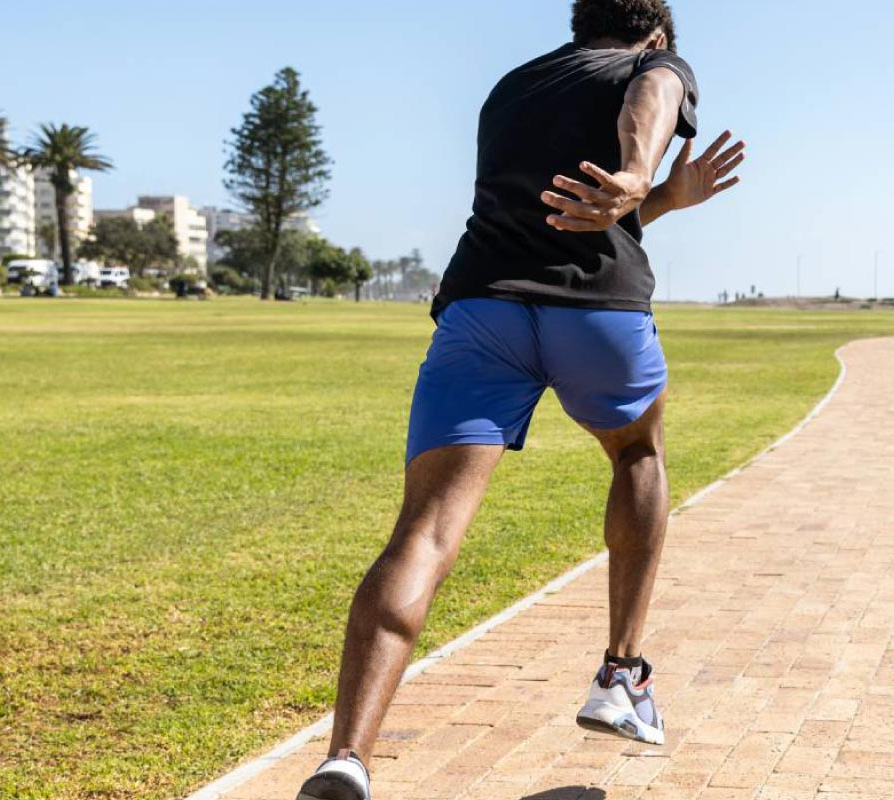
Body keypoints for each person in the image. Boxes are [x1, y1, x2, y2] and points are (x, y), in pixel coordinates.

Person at [293, 2, 747, 799]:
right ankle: (621, 676)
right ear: (655, 34)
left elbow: (568, 209)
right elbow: (652, 107)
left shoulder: (513, 85)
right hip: (597, 313)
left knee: (424, 534)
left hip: (481, 309)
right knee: (638, 455)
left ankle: (347, 759)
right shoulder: (654, 64)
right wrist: (645, 174)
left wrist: (660, 197)